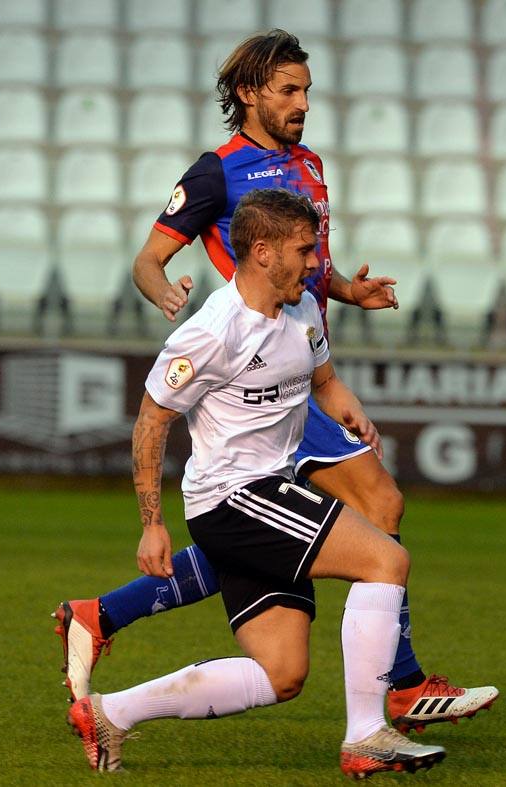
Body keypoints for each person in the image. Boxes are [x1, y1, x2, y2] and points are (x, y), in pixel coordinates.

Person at [54, 29, 496, 734]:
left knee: (259, 529)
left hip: (303, 369)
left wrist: (349, 289)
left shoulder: (310, 165)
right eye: (288, 91)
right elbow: (147, 258)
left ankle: (103, 612)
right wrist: (165, 292)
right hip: (255, 376)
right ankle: (401, 687)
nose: (302, 104)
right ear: (247, 94)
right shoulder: (214, 172)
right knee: (377, 506)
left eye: (306, 91)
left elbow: (312, 264)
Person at [68, 188, 445, 778]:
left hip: (266, 493)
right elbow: (151, 420)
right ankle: (368, 734)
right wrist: (152, 524)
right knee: (385, 561)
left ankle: (110, 713)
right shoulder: (213, 333)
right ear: (264, 252)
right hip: (233, 501)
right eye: (305, 249)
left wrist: (352, 413)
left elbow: (324, 382)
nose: (318, 262)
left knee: (283, 674)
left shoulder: (302, 312)